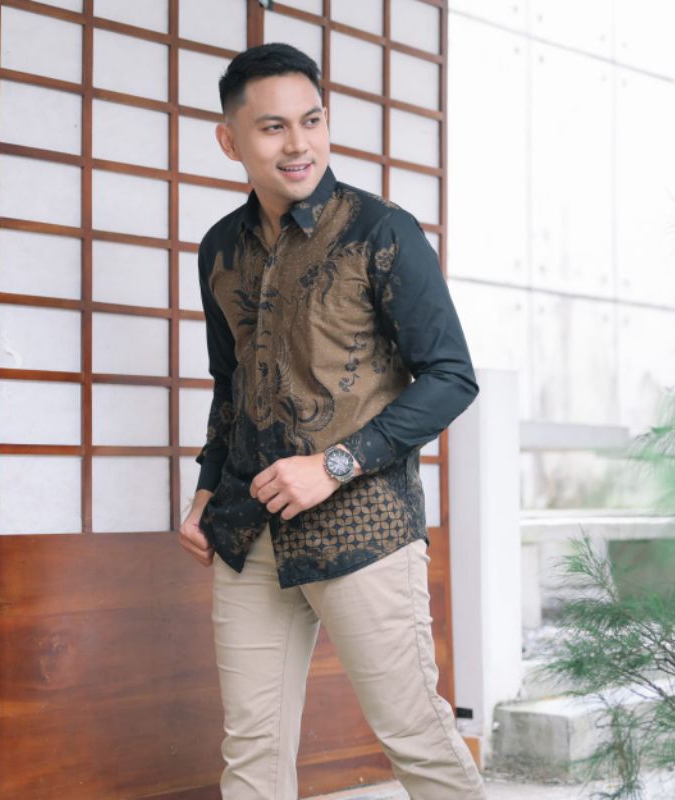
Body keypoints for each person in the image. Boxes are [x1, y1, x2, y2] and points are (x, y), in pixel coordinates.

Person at [178, 41, 486, 800]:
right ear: (230, 140)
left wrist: (333, 466)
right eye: (273, 127)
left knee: (415, 735)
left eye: (311, 121)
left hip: (363, 526)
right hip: (248, 530)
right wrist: (207, 487)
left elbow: (451, 378)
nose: (299, 144)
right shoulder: (219, 248)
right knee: (251, 751)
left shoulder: (383, 232)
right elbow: (230, 383)